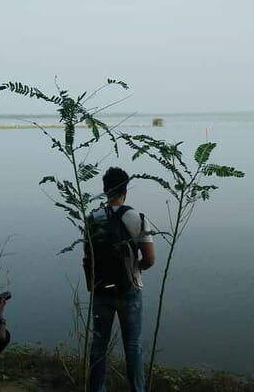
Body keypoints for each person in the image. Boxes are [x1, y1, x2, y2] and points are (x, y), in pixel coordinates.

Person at [86, 167, 155, 392]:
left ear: (105, 190)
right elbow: (150, 259)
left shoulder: (93, 218)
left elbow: (89, 256)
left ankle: (96, 389)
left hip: (100, 290)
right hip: (128, 290)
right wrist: (135, 270)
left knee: (98, 346)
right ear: (125, 190)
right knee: (133, 345)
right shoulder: (136, 217)